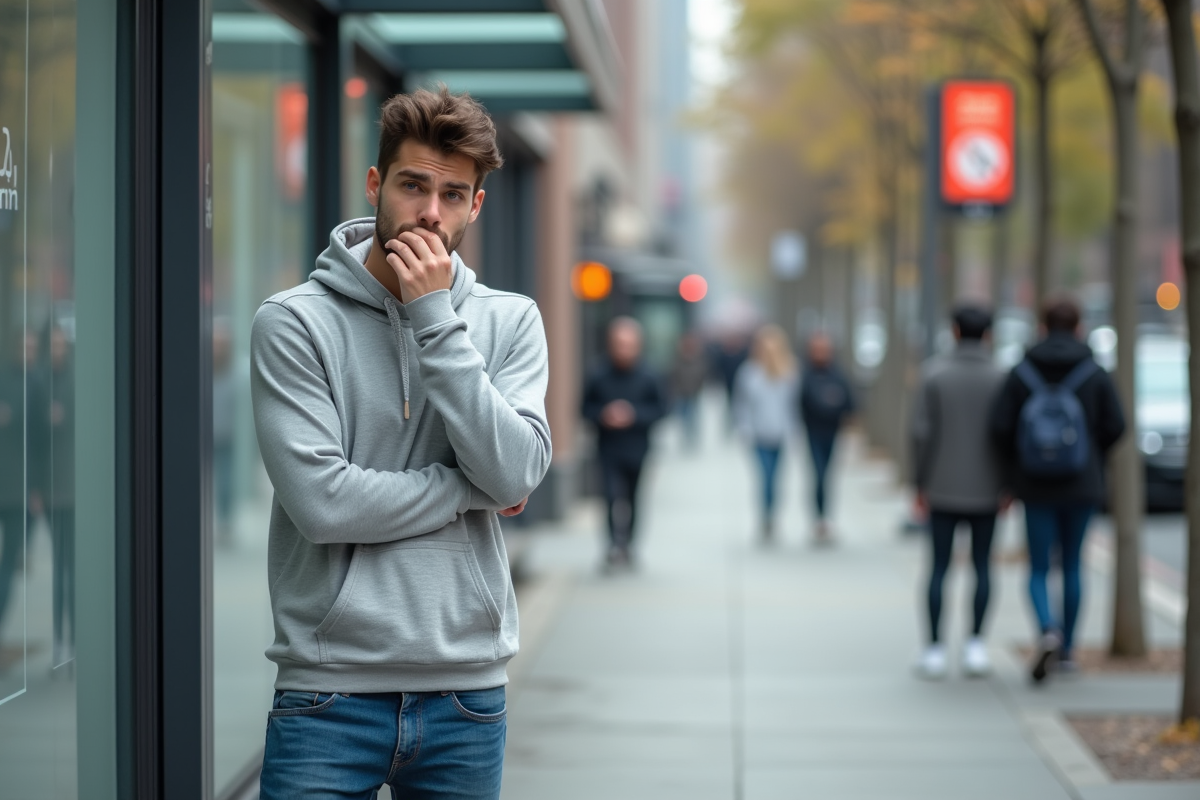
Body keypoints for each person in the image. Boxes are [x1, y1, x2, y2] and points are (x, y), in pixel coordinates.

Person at [251, 87, 551, 799]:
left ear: (476, 206)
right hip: (328, 695)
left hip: (466, 697)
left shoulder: (510, 321)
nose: (430, 213)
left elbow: (515, 471)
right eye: (414, 186)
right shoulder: (293, 323)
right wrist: (466, 489)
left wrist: (434, 320)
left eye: (453, 195)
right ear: (375, 185)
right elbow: (324, 504)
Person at [990, 296, 1125, 683]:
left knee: (1037, 566)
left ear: (1043, 326)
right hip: (1082, 483)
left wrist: (1017, 466)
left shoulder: (1022, 371)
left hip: (1034, 485)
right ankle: (1067, 651)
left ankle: (1047, 627)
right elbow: (1117, 426)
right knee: (1072, 565)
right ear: (1079, 327)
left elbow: (1000, 427)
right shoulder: (1094, 371)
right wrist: (1090, 450)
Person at [910, 305, 1007, 679]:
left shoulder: (935, 374)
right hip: (987, 488)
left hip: (941, 486)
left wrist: (919, 483)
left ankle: (934, 647)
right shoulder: (1000, 377)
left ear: (953, 331)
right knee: (983, 566)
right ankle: (976, 644)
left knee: (938, 568)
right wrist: (1006, 483)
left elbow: (920, 433)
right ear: (988, 334)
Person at [581, 317, 668, 568]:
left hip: (638, 448)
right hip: (607, 448)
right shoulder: (598, 374)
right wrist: (604, 415)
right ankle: (611, 545)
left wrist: (633, 415)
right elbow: (584, 409)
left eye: (629, 344)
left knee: (633, 498)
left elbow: (661, 410)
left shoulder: (649, 375)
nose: (624, 349)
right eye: (619, 344)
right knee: (609, 497)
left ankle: (629, 544)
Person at [733, 325, 799, 541]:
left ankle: (772, 514)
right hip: (758, 435)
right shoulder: (749, 373)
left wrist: (792, 432)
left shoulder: (789, 371)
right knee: (765, 477)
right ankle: (766, 516)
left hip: (780, 434)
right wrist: (745, 429)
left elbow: (793, 406)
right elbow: (741, 404)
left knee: (777, 478)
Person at [798, 333, 854, 544]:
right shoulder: (806, 374)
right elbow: (804, 401)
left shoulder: (838, 373)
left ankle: (825, 518)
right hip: (813, 431)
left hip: (833, 431)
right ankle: (819, 518)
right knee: (819, 474)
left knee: (828, 475)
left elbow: (848, 400)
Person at [669, 330, 709, 450]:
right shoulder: (678, 359)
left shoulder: (698, 358)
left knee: (694, 416)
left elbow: (703, 374)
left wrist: (699, 387)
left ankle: (693, 438)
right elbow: (673, 376)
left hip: (693, 393)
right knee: (683, 416)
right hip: (681, 393)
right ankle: (686, 438)